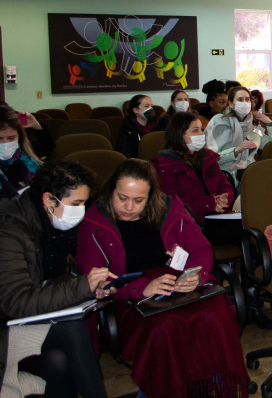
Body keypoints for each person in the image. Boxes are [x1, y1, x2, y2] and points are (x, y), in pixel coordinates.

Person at [77, 159, 248, 397]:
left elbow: (201, 249)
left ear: (151, 196)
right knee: (164, 328)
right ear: (110, 191)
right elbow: (97, 283)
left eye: (138, 200)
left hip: (178, 285)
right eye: (122, 198)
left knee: (215, 315)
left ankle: (213, 383)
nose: (129, 207)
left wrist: (197, 275)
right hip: (130, 296)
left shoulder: (170, 207)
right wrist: (143, 288)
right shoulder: (94, 222)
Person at [0, 160, 109, 398]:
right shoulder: (10, 228)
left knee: (58, 362)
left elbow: (52, 278)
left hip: (25, 321)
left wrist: (90, 291)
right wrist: (82, 286)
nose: (81, 210)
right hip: (7, 324)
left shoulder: (52, 223)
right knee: (73, 329)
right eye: (76, 203)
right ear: (49, 199)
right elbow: (15, 302)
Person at [152, 112, 234, 226]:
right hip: (188, 221)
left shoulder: (207, 157)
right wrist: (210, 203)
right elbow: (173, 201)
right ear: (180, 134)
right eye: (195, 131)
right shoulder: (164, 164)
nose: (201, 134)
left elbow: (224, 186)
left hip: (217, 213)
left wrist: (225, 199)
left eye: (201, 129)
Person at [205, 85, 272, 189]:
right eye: (240, 99)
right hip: (225, 176)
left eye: (247, 99)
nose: (244, 103)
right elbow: (210, 158)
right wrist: (235, 151)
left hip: (250, 175)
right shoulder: (219, 123)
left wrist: (270, 123)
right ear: (231, 104)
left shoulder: (253, 126)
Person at [0, 105, 43, 200]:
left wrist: (37, 128)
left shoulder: (26, 159)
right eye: (0, 139)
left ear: (19, 136)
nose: (5, 143)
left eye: (11, 138)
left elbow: (47, 147)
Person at [115, 94, 160, 159]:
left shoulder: (156, 127)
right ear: (136, 110)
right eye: (146, 106)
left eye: (151, 106)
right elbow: (124, 153)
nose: (150, 109)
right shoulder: (125, 130)